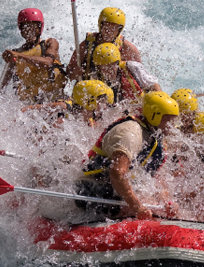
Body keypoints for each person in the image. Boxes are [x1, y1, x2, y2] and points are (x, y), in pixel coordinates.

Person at [75, 91, 179, 220]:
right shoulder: (130, 134)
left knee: (159, 208)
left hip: (114, 189)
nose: (172, 125)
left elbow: (154, 179)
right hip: (90, 190)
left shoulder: (155, 137)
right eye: (167, 120)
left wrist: (166, 202)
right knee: (149, 207)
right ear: (154, 116)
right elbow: (117, 173)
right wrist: (137, 207)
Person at [0, 8, 67, 104]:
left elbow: (48, 62)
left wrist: (19, 56)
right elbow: (1, 88)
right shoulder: (15, 54)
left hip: (53, 98)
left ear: (40, 28)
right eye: (25, 27)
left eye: (33, 27)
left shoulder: (49, 43)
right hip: (30, 104)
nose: (29, 31)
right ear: (21, 30)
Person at [66, 7, 142, 82]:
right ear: (100, 25)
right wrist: (75, 72)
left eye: (113, 29)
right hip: (90, 86)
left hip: (115, 88)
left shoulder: (127, 48)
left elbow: (140, 73)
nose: (108, 33)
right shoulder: (87, 44)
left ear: (119, 30)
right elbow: (69, 70)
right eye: (106, 28)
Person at [86, 43, 161, 103]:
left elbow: (154, 85)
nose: (109, 70)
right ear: (99, 68)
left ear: (118, 63)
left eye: (112, 65)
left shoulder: (132, 67)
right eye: (104, 67)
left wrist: (161, 101)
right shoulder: (95, 79)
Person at [20, 80, 115, 127]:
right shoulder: (61, 108)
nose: (104, 107)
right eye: (102, 102)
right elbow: (23, 111)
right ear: (89, 101)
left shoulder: (96, 119)